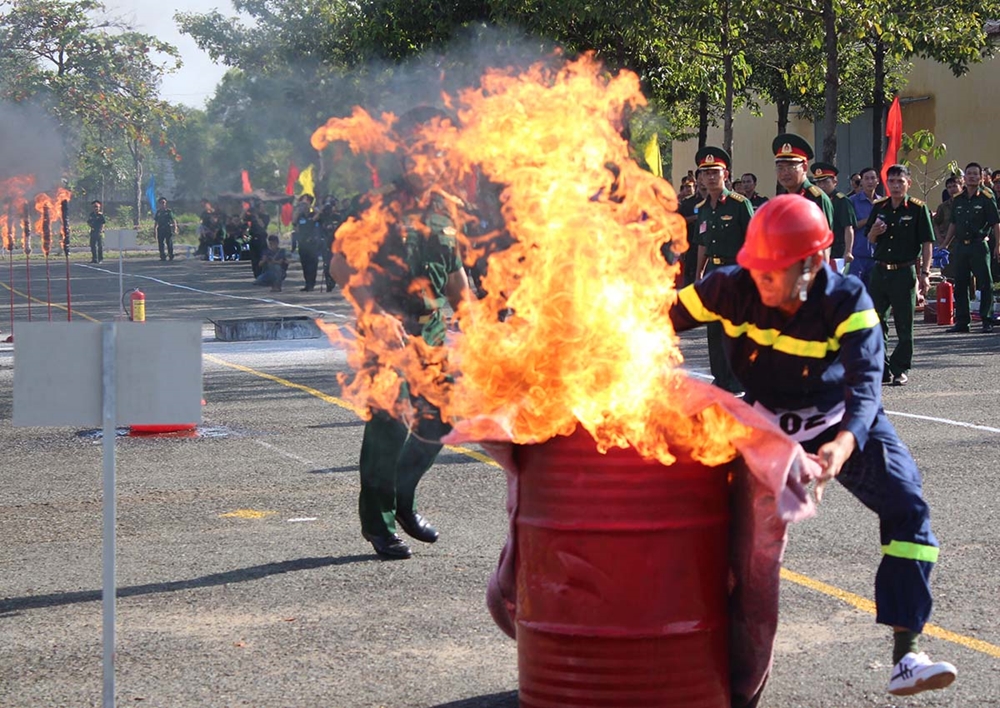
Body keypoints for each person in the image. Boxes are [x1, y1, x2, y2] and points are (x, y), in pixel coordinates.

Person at [669, 194, 957, 698]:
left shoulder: (848, 301)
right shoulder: (729, 286)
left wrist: (842, 448)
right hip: (760, 421)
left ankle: (907, 651)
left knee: (909, 506)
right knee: (715, 529)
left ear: (814, 263)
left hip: (834, 422)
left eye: (775, 272)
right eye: (756, 268)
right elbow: (660, 316)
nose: (762, 280)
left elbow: (866, 393)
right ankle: (690, 653)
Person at [329, 106, 474, 560]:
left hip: (430, 330)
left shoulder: (446, 209)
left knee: (441, 419)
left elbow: (454, 274)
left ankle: (404, 499)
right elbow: (340, 265)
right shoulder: (376, 205)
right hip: (384, 331)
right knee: (389, 425)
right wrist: (374, 313)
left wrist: (473, 324)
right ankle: (379, 524)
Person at [865, 164, 934, 385]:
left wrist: (924, 273)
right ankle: (881, 367)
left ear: (908, 184)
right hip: (881, 271)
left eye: (900, 182)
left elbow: (927, 242)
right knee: (876, 321)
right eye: (892, 182)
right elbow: (870, 239)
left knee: (904, 324)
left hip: (904, 272)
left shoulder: (916, 208)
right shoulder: (880, 206)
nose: (895, 186)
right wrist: (874, 233)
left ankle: (900, 367)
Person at [693, 146, 753, 395]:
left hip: (735, 270)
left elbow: (753, 240)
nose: (709, 177)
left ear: (726, 174)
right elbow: (702, 244)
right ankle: (721, 378)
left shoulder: (740, 204)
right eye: (705, 173)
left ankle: (737, 380)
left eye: (715, 172)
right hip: (713, 274)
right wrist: (698, 275)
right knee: (714, 329)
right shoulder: (704, 207)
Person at [941, 162, 1000, 333]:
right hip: (961, 246)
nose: (972, 176)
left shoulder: (986, 197)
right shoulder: (958, 199)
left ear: (981, 177)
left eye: (975, 174)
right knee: (960, 283)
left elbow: (996, 223)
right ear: (964, 178)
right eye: (969, 174)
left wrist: (998, 245)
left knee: (985, 283)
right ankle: (962, 321)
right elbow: (953, 223)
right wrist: (945, 244)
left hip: (979, 245)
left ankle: (986, 319)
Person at [810, 162, 857, 262]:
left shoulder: (841, 201)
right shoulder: (814, 200)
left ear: (835, 181)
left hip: (837, 250)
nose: (821, 186)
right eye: (818, 183)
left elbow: (848, 228)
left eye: (825, 182)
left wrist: (848, 251)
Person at [848, 167, 883, 287]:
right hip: (857, 255)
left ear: (878, 181)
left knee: (874, 295)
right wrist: (869, 219)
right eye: (866, 178)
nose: (870, 181)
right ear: (861, 182)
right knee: (855, 295)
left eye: (873, 178)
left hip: (877, 257)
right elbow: (849, 226)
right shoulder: (852, 201)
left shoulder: (883, 202)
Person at [291, 195, 320, 291]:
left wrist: (310, 206)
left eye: (305, 204)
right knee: (305, 264)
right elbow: (294, 222)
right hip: (303, 243)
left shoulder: (312, 215)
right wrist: (298, 210)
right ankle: (307, 283)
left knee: (313, 264)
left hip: (312, 243)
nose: (303, 206)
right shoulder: (300, 216)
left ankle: (311, 283)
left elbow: (319, 213)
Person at [153, 197, 177, 261]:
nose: (162, 204)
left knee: (169, 242)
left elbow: (173, 220)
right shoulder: (158, 212)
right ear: (159, 204)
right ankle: (162, 256)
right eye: (161, 203)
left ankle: (171, 255)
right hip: (160, 229)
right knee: (160, 243)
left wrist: (175, 228)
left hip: (167, 228)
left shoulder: (168, 211)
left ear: (165, 203)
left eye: (163, 203)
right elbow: (156, 222)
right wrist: (154, 230)